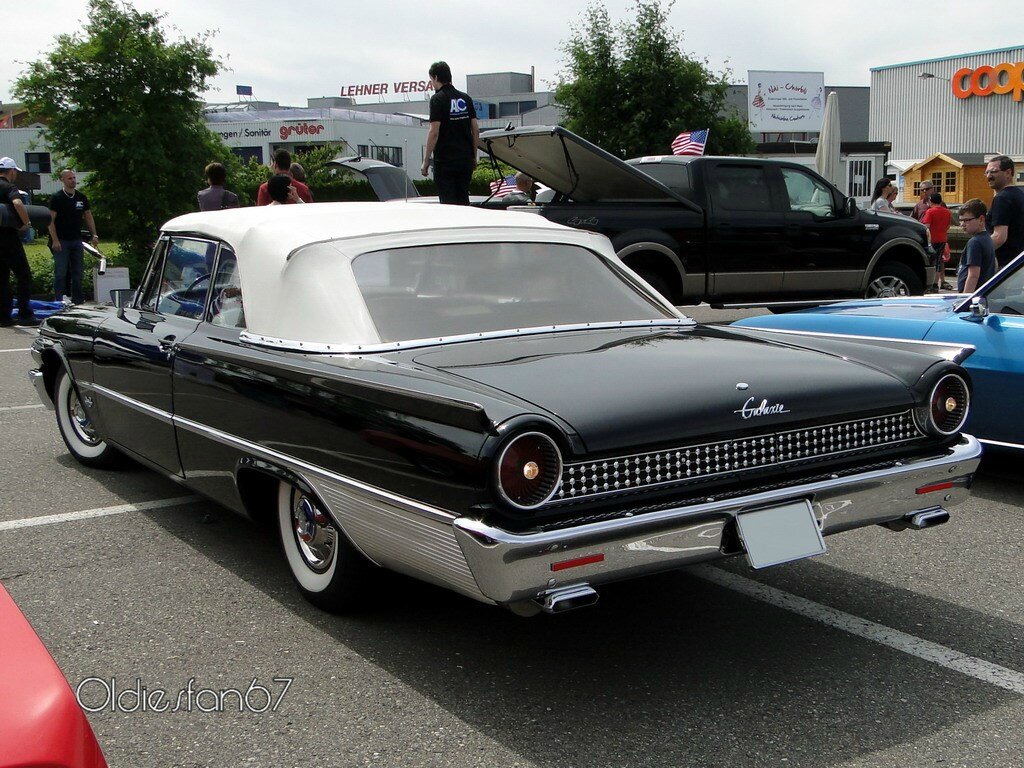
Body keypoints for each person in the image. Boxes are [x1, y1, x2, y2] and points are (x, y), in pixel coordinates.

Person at [421, 61, 479, 205]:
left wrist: (426, 160)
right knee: (463, 200)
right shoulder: (465, 98)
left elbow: (434, 131)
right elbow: (475, 129)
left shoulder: (437, 99)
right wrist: (473, 156)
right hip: (465, 160)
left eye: (431, 80)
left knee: (449, 205)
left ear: (435, 77)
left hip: (446, 161)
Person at [47, 169, 98, 305]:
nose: (73, 180)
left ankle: (77, 299)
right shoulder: (57, 198)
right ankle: (58, 299)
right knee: (61, 271)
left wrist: (94, 234)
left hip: (76, 239)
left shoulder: (81, 197)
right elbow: (50, 220)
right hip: (62, 240)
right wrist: (55, 240)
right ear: (62, 180)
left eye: (74, 178)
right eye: (69, 178)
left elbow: (88, 216)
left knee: (78, 272)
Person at [0, 157, 38, 326]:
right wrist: (26, 223)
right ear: (12, 171)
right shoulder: (9, 186)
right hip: (8, 237)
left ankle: (4, 316)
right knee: (24, 275)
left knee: (1, 277)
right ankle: (24, 313)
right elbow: (17, 203)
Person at [984, 154, 1024, 265]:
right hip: (1017, 265)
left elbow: (999, 237)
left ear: (1008, 173)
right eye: (987, 172)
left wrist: (978, 251)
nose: (989, 176)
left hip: (1005, 265)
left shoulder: (1002, 198)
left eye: (993, 172)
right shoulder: (1020, 195)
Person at [956, 198, 997, 293]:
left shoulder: (975, 242)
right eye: (961, 221)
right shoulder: (988, 239)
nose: (962, 224)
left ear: (981, 219)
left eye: (967, 220)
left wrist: (965, 301)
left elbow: (973, 275)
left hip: (973, 295)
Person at [922, 192, 951, 290]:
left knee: (930, 261)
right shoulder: (947, 212)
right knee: (938, 261)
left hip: (932, 239)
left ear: (931, 201)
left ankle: (930, 283)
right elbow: (948, 226)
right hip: (942, 239)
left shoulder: (930, 212)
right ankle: (935, 284)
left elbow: (926, 227)